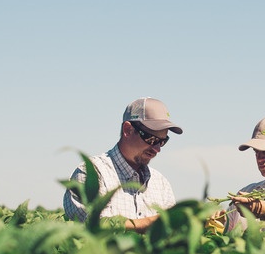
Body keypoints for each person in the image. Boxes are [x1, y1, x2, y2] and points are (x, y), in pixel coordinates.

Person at [63, 97, 183, 233]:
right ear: (128, 130)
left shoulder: (161, 183)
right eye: (151, 139)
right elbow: (92, 226)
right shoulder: (91, 173)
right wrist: (154, 222)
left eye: (162, 141)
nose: (157, 149)